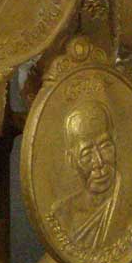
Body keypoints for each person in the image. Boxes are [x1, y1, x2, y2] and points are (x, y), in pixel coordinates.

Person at [49, 101, 121, 252]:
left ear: (115, 143)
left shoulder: (131, 198)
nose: (99, 162)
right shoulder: (62, 215)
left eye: (105, 146)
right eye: (87, 154)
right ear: (71, 160)